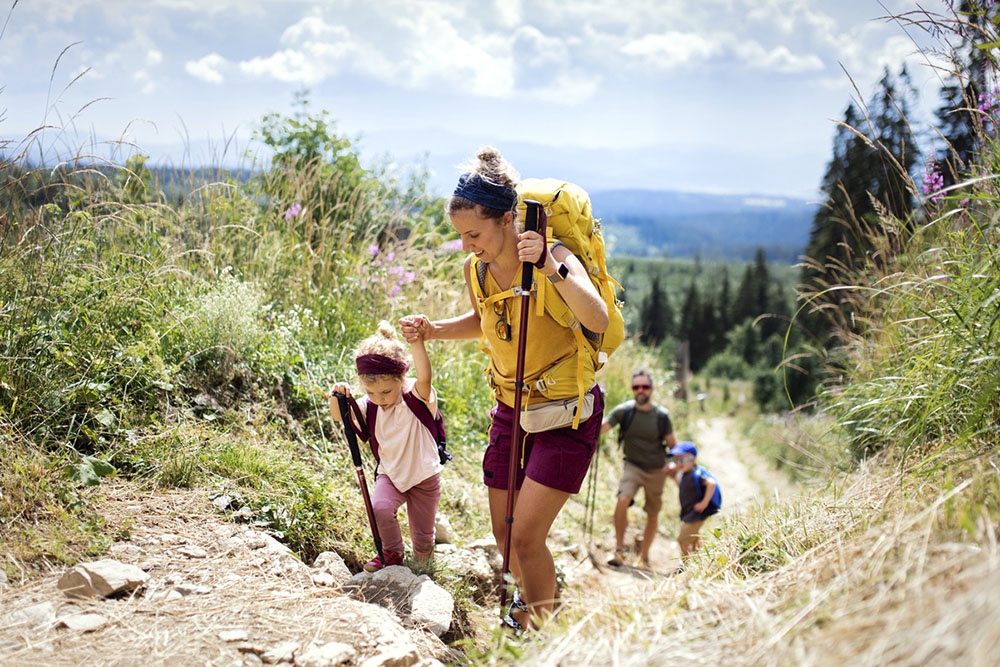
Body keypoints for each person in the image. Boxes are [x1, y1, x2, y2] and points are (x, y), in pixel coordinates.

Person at [400, 146, 608, 633]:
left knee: (529, 537)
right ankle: (535, 608)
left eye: (474, 233)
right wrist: (433, 330)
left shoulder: (553, 256)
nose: (468, 244)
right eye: (461, 236)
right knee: (505, 534)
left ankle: (542, 632)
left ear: (508, 219)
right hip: (511, 409)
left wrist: (553, 270)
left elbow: (596, 316)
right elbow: (485, 320)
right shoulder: (478, 268)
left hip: (565, 414)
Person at [329, 318, 442, 572]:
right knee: (380, 508)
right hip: (391, 473)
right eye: (371, 393)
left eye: (387, 392)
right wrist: (337, 396)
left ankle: (424, 566)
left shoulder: (415, 396)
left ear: (402, 379)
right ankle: (392, 553)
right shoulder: (370, 407)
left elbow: (425, 376)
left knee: (423, 537)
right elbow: (339, 416)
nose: (379, 399)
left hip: (424, 476)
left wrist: (417, 342)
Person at [600, 370, 677, 570]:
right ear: (632, 389)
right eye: (636, 387)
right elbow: (602, 428)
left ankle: (644, 556)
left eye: (644, 387)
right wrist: (594, 407)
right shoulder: (624, 411)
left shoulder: (661, 416)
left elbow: (673, 446)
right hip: (632, 466)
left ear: (651, 389)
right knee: (622, 499)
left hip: (657, 470)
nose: (640, 391)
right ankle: (619, 550)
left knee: (652, 513)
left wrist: (675, 465)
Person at [665, 441, 720, 563]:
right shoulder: (686, 475)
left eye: (682, 460)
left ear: (692, 459)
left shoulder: (697, 474)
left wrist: (704, 503)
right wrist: (674, 478)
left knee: (682, 540)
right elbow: (683, 488)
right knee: (694, 538)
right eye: (676, 461)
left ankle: (687, 564)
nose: (678, 464)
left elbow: (711, 483)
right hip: (690, 513)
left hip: (696, 513)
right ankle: (699, 561)